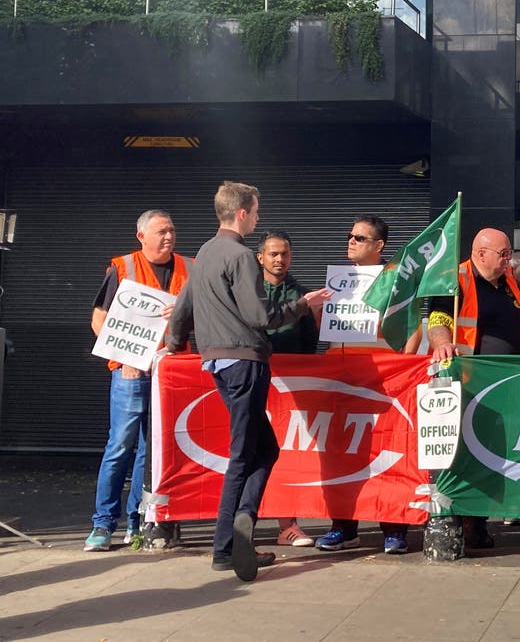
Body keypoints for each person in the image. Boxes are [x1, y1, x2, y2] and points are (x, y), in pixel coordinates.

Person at [166, 181, 330, 581]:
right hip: (245, 362)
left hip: (218, 364)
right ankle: (229, 539)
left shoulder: (204, 252)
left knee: (264, 448)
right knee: (244, 455)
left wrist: (174, 344)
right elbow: (262, 317)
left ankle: (239, 526)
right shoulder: (241, 256)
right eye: (255, 211)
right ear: (242, 214)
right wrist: (303, 305)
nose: (258, 217)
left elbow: (183, 308)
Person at [84, 209, 190, 553]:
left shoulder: (190, 268)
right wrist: (124, 357)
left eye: (172, 230)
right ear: (141, 235)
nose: (169, 237)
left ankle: (136, 522)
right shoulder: (123, 267)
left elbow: (206, 313)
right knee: (120, 446)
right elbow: (98, 320)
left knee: (151, 451)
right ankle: (102, 525)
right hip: (131, 372)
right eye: (161, 231)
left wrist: (186, 312)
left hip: (169, 373)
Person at [428, 227, 520, 549]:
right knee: (462, 455)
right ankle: (457, 520)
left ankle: (479, 520)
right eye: (503, 254)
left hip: (507, 386)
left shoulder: (509, 283)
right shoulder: (455, 279)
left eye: (509, 254)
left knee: (492, 454)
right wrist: (443, 343)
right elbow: (438, 319)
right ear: (480, 252)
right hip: (469, 383)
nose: (508, 260)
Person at [315, 216, 412, 555]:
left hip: (383, 383)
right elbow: (327, 328)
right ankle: (343, 527)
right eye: (350, 235)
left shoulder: (394, 281)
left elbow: (412, 328)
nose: (351, 241)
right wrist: (319, 311)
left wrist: (403, 371)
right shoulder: (339, 281)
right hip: (344, 381)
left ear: (379, 246)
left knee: (388, 456)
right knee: (342, 456)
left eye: (359, 237)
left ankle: (394, 528)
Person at [257, 231, 318, 548]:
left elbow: (310, 345)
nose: (280, 260)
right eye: (273, 254)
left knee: (288, 455)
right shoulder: (246, 290)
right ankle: (240, 523)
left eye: (285, 254)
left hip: (291, 389)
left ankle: (288, 525)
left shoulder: (305, 297)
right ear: (260, 257)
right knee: (245, 454)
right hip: (252, 382)